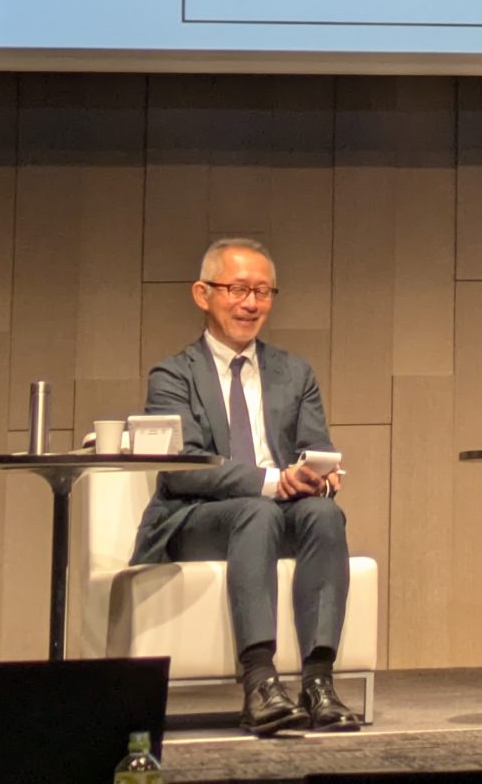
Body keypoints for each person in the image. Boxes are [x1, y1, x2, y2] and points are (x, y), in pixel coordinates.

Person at [132, 237, 361, 735]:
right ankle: (260, 682)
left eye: (262, 292)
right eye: (238, 290)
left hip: (277, 513)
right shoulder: (173, 375)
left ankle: (319, 683)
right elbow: (182, 468)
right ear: (203, 294)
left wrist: (320, 476)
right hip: (196, 518)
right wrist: (273, 482)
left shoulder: (294, 373)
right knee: (257, 510)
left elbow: (315, 446)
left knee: (325, 515)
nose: (251, 304)